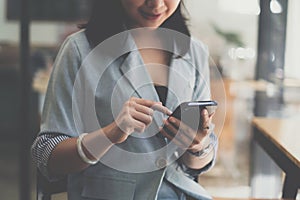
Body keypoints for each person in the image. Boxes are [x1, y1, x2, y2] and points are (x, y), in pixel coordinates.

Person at [31, 0, 218, 199]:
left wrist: (198, 145)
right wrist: (111, 134)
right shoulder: (79, 49)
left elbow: (198, 165)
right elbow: (47, 154)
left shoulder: (195, 51)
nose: (156, 4)